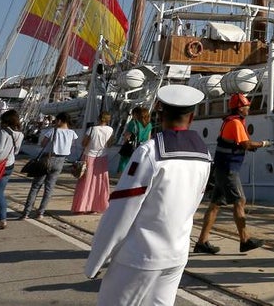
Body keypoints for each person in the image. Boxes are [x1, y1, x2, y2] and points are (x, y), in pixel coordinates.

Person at [85, 85, 212, 305]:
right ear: (191, 118)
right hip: (177, 254)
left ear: (160, 116)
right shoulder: (205, 156)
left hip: (140, 255)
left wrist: (96, 260)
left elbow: (121, 210)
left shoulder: (150, 152)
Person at [194, 93, 271, 254]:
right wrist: (264, 143)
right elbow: (246, 144)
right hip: (228, 170)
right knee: (239, 201)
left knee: (215, 205)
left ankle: (202, 242)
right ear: (239, 108)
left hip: (222, 168)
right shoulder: (235, 123)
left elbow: (239, 144)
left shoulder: (232, 121)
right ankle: (245, 240)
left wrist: (250, 146)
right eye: (246, 106)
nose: (248, 109)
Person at [19, 111, 77, 220]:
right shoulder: (72, 133)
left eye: (56, 120)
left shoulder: (53, 131)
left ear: (60, 120)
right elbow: (71, 145)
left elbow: (43, 144)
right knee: (49, 188)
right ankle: (40, 213)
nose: (55, 122)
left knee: (36, 186)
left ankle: (26, 212)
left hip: (47, 159)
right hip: (60, 161)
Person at [72, 112, 114, 214]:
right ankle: (96, 207)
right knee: (100, 182)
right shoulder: (110, 130)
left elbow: (84, 143)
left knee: (85, 182)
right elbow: (109, 144)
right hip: (102, 157)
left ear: (99, 118)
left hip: (89, 156)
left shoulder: (92, 129)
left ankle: (82, 207)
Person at [118, 106, 152, 175]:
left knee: (124, 164)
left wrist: (124, 141)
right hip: (142, 148)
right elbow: (148, 138)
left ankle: (121, 178)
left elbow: (127, 137)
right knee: (135, 167)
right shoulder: (149, 125)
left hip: (130, 147)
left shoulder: (133, 123)